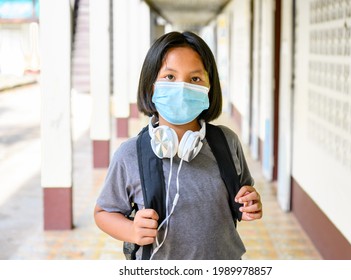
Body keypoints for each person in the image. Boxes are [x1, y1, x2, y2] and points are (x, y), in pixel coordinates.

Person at [94, 31, 262, 260]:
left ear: (209, 88)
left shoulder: (227, 142)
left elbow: (245, 193)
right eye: (170, 77)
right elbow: (104, 212)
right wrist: (131, 230)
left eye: (195, 79)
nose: (182, 88)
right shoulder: (130, 154)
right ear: (151, 85)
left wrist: (250, 202)